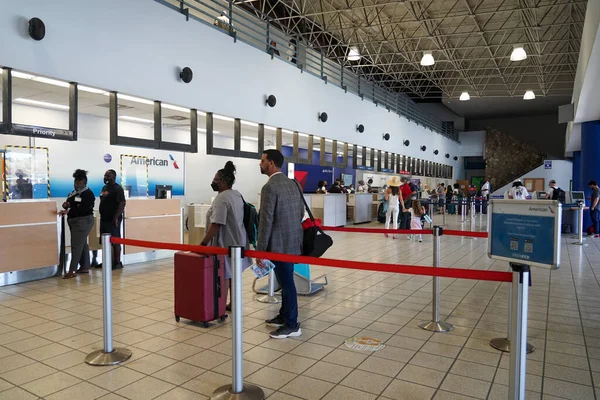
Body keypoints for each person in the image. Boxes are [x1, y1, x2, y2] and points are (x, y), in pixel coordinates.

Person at [257, 149, 304, 339]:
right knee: (286, 282)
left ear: (271, 163)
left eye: (262, 160)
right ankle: (284, 315)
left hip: (278, 245)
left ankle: (292, 325)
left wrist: (260, 251)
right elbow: (300, 213)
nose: (259, 164)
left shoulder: (269, 187)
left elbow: (265, 221)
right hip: (293, 241)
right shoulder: (294, 184)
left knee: (287, 283)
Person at [200, 161, 251, 311]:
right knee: (233, 274)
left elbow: (216, 224)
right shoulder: (236, 194)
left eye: (216, 179)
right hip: (238, 240)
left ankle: (221, 305)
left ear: (223, 182)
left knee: (224, 274)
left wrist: (203, 244)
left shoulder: (221, 199)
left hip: (226, 243)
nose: (213, 182)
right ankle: (233, 303)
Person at [59, 169, 95, 279]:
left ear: (84, 182)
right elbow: (73, 204)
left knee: (76, 246)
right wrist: (66, 205)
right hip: (74, 221)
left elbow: (83, 209)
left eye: (79, 182)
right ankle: (84, 266)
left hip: (82, 221)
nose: (77, 184)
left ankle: (71, 270)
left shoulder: (88, 194)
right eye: (75, 182)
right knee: (82, 243)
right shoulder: (74, 193)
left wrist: (69, 210)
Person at [98, 169, 126, 270]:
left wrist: (115, 218)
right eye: (105, 175)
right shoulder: (105, 188)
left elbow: (122, 204)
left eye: (108, 176)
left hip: (113, 219)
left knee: (115, 241)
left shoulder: (118, 189)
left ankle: (117, 262)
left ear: (113, 177)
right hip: (104, 219)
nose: (105, 178)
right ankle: (107, 261)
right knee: (105, 241)